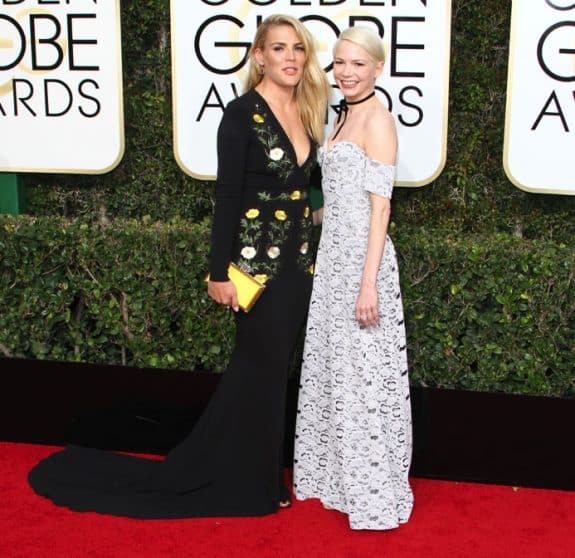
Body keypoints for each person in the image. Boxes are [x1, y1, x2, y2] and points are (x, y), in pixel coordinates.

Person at [27, 14, 330, 518]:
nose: (291, 58)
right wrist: (216, 274)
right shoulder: (240, 115)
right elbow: (228, 198)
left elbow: (303, 191)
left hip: (299, 268)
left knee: (271, 376)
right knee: (259, 371)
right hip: (252, 271)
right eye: (279, 49)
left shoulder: (308, 109)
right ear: (259, 57)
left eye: (297, 48)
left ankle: (258, 473)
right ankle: (250, 480)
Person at [292, 26, 414, 530]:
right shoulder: (339, 118)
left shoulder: (379, 122)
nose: (346, 72)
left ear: (377, 69)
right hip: (333, 261)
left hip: (364, 264)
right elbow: (339, 202)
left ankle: (374, 486)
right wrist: (297, 214)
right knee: (337, 371)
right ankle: (339, 477)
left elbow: (380, 208)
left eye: (357, 64)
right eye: (339, 62)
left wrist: (368, 284)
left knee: (364, 376)